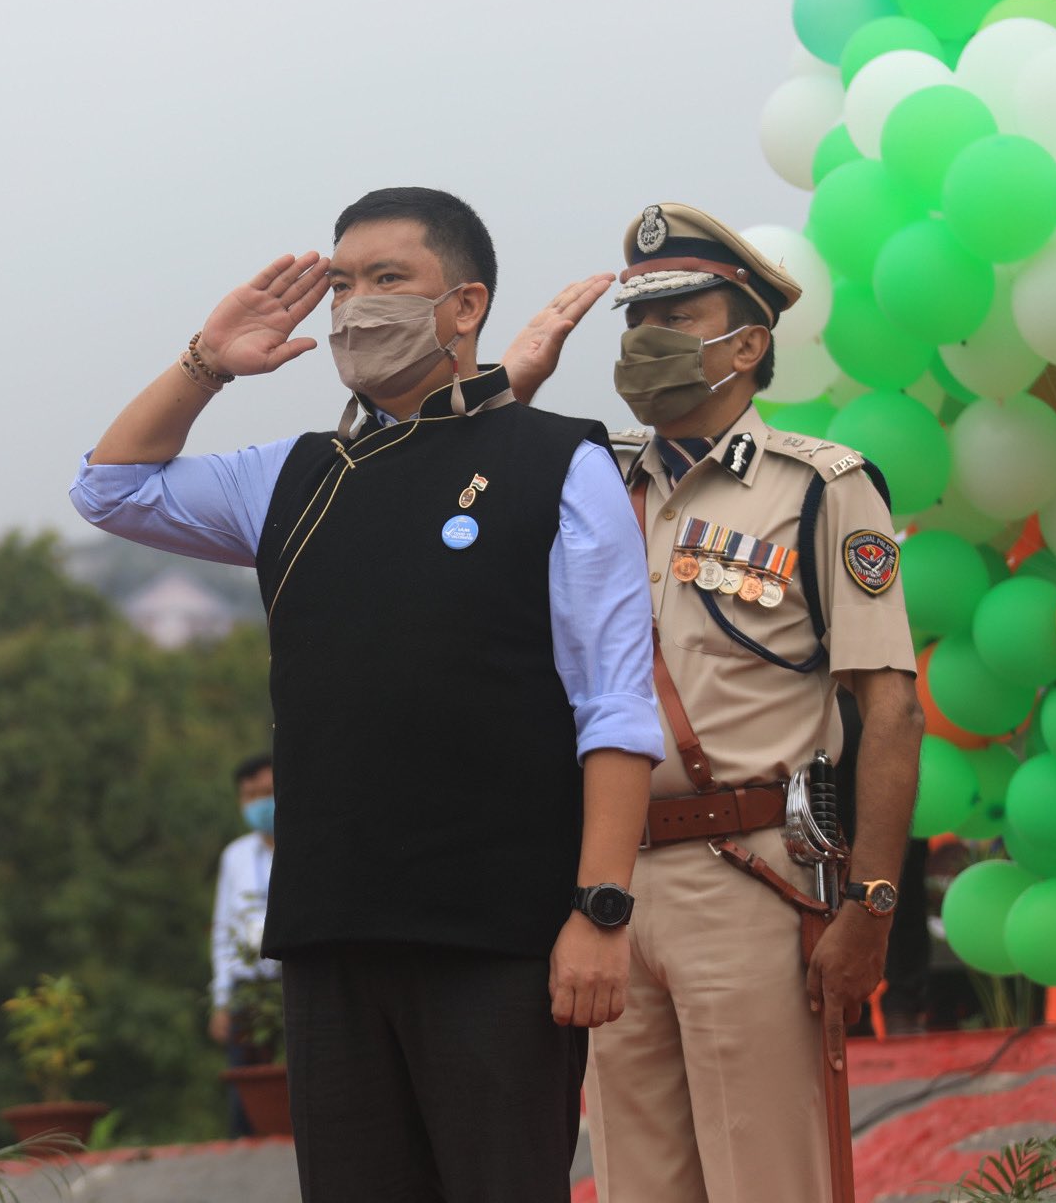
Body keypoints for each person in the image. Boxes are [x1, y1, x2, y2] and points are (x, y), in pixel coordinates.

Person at [70, 187, 662, 1202]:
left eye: (389, 279)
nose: (354, 305)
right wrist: (209, 360)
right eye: (341, 283)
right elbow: (111, 487)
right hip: (334, 926)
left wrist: (599, 909)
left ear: (464, 305)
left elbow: (614, 700)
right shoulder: (295, 475)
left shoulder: (556, 460)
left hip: (499, 931)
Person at [508, 203, 923, 1203]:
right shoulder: (590, 480)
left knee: (766, 1175)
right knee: (638, 1178)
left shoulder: (818, 486)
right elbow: (455, 473)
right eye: (634, 321)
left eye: (674, 316)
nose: (643, 342)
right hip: (609, 879)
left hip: (751, 871)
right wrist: (517, 380)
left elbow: (892, 708)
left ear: (747, 342)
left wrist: (871, 904)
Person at [209, 752, 280, 1136]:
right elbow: (223, 929)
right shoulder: (235, 856)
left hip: (293, 980)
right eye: (249, 795)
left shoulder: (307, 845)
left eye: (267, 792)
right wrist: (221, 998)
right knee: (247, 1092)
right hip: (247, 990)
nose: (258, 802)